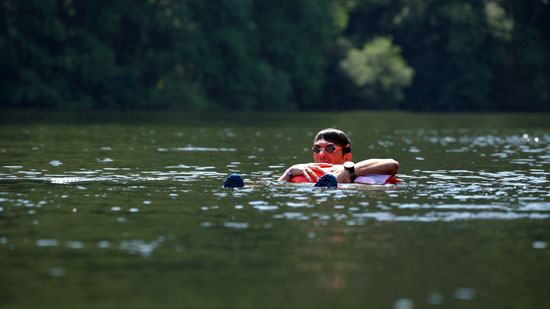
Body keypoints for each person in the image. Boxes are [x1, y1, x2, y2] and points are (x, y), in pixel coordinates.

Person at [278, 128, 399, 183]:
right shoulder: (302, 172)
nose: (321, 154)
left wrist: (348, 171)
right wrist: (289, 172)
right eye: (317, 148)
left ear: (347, 157)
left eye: (330, 148)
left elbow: (393, 165)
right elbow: (276, 188)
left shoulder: (358, 173)